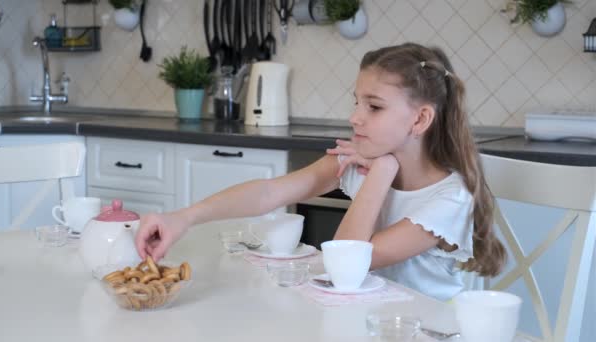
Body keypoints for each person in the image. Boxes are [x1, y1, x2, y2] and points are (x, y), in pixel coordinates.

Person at [135, 42, 506, 301]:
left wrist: (381, 173)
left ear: (421, 119)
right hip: (364, 318)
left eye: (374, 107)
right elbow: (269, 193)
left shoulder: (447, 198)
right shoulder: (362, 158)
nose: (354, 117)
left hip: (425, 329)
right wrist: (183, 217)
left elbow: (347, 263)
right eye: (356, 102)